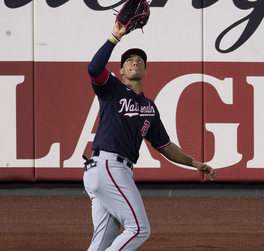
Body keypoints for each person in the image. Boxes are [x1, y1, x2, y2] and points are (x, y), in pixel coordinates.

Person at [83, 20, 216, 251]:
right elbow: (94, 68)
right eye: (129, 60)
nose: (135, 62)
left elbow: (164, 145)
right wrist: (114, 37)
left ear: (145, 70)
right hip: (108, 167)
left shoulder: (149, 107)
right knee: (138, 229)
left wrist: (195, 163)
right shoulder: (111, 88)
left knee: (103, 240)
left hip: (108, 171)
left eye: (140, 60)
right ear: (122, 70)